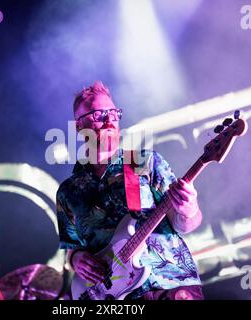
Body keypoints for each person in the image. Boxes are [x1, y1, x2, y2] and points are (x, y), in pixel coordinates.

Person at [56, 81, 204, 300]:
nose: (109, 121)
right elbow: (72, 249)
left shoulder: (145, 162)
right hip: (114, 296)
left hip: (167, 282)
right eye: (98, 115)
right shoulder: (68, 192)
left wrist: (189, 209)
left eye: (113, 113)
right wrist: (77, 259)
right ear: (79, 126)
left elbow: (184, 224)